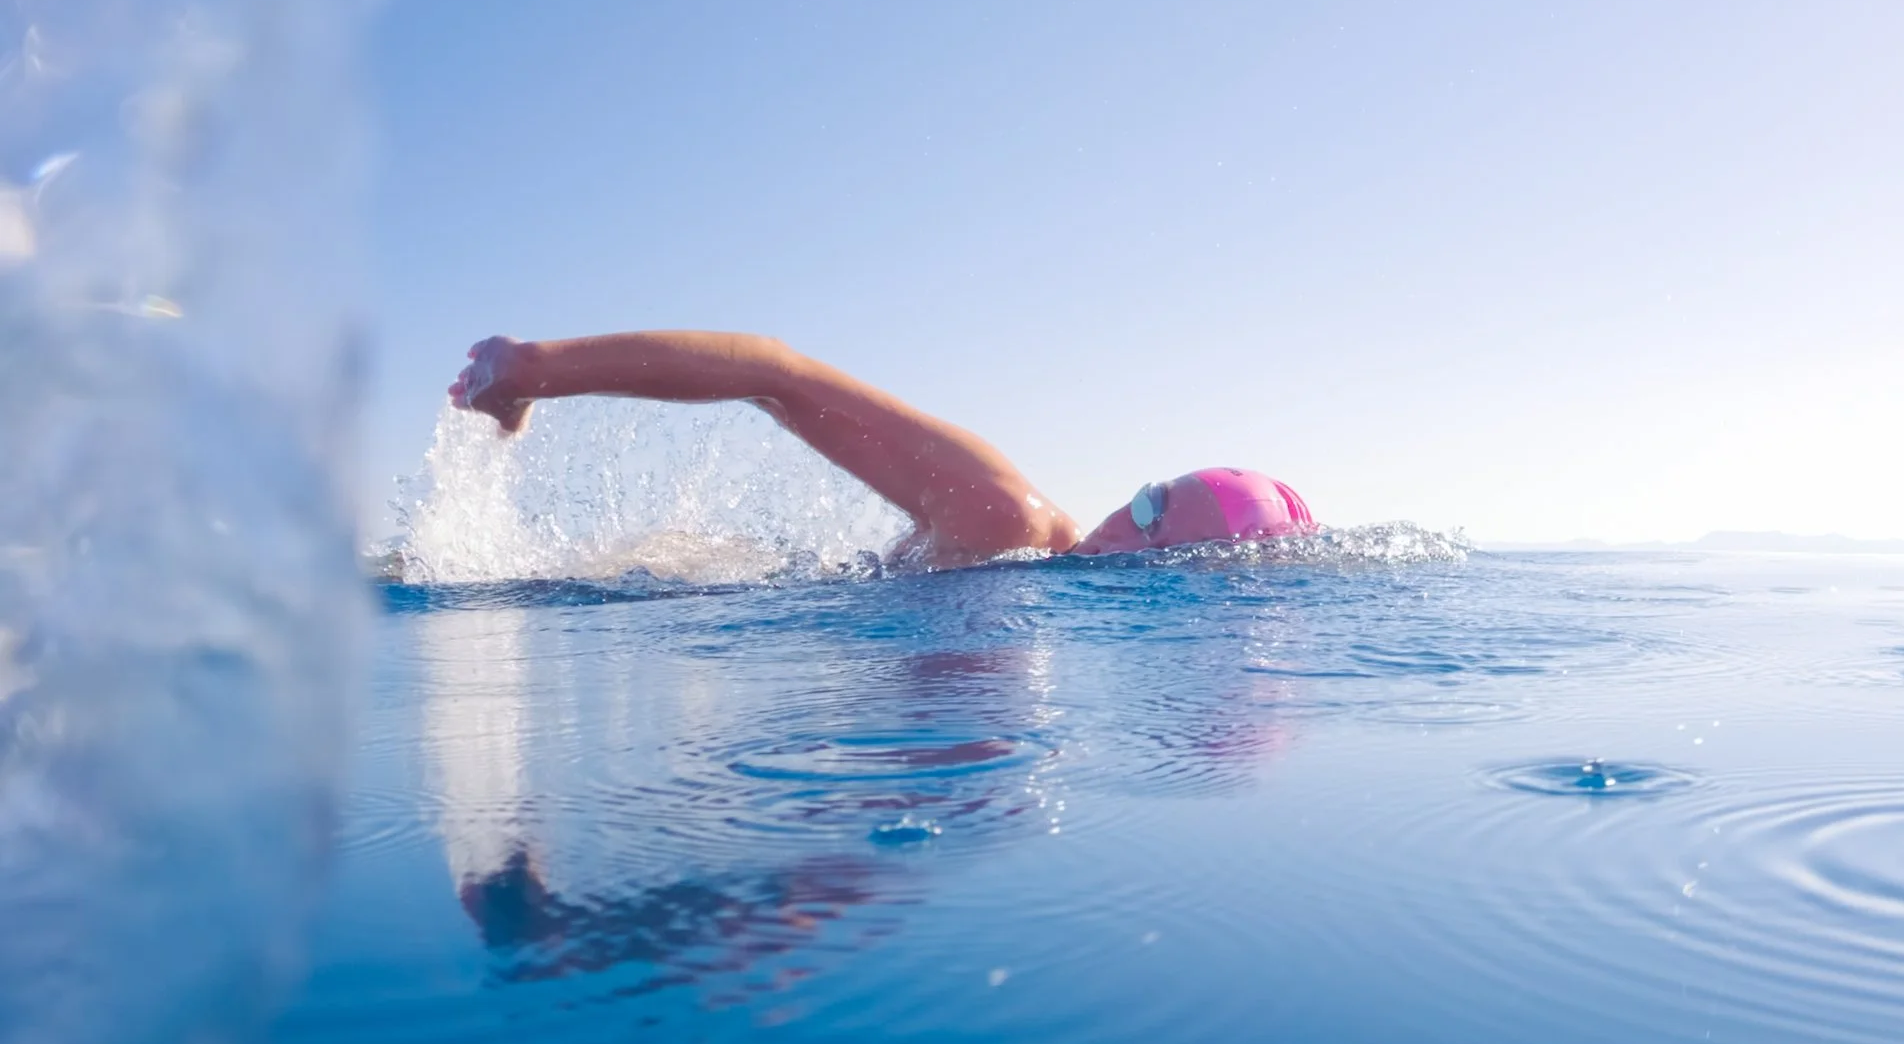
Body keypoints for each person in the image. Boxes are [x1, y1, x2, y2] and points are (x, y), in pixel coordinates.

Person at [449, 331, 1316, 569]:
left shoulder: (1008, 521)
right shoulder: (1013, 528)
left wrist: (535, 373)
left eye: (1153, 510)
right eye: (1144, 492)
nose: (1126, 513)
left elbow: (783, 375)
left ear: (1170, 558)